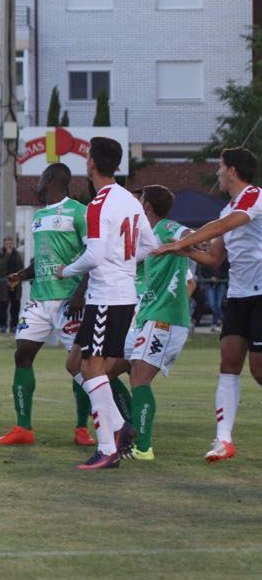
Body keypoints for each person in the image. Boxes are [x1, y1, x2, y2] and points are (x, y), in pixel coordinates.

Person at [154, 147, 262, 463]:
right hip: (238, 295)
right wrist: (182, 252)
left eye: (219, 166)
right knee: (229, 360)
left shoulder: (254, 196)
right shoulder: (225, 211)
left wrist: (182, 241)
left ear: (233, 170)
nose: (216, 171)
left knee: (258, 369)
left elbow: (224, 227)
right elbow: (215, 259)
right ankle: (223, 441)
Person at [56, 137, 158, 470]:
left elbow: (95, 255)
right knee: (84, 366)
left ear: (91, 163)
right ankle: (118, 426)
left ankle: (107, 448)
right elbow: (150, 245)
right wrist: (126, 261)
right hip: (123, 296)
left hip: (106, 297)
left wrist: (66, 270)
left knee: (91, 368)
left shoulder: (99, 203)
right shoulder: (129, 200)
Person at [0, 163, 94, 448]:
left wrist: (81, 293)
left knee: (80, 366)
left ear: (50, 180)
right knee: (22, 354)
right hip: (39, 298)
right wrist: (21, 275)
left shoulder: (79, 211)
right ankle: (23, 428)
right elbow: (43, 258)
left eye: (40, 179)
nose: (36, 184)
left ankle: (81, 428)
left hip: (69, 299)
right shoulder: (38, 217)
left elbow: (94, 255)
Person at [108, 185, 194, 461]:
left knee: (140, 378)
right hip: (145, 318)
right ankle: (127, 427)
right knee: (105, 369)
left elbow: (187, 235)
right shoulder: (146, 236)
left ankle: (143, 447)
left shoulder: (167, 227)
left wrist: (195, 240)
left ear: (146, 207)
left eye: (140, 200)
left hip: (165, 319)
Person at [0, 236, 24, 334]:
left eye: (11, 243)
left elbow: (21, 268)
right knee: (3, 306)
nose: (9, 245)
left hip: (15, 285)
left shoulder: (17, 254)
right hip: (4, 285)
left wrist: (17, 278)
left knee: (15, 307)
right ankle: (3, 326)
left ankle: (13, 326)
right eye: (7, 243)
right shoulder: (0, 254)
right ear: (4, 244)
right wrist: (7, 255)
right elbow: (1, 266)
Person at [198, 259, 229, 332]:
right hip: (209, 283)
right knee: (212, 305)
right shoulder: (207, 256)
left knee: (218, 305)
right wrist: (210, 278)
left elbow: (227, 270)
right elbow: (203, 270)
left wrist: (219, 277)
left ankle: (214, 324)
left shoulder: (224, 258)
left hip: (220, 283)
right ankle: (226, 322)